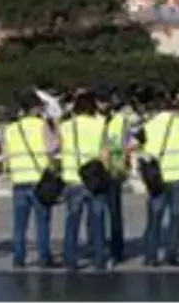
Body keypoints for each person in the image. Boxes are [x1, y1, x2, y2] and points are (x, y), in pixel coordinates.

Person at [139, 93, 179, 267]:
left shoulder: (149, 126)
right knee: (176, 218)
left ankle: (151, 256)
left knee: (154, 219)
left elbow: (134, 146)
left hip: (157, 179)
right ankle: (171, 255)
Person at [4, 91, 57, 269]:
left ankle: (18, 258)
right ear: (35, 107)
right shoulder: (41, 126)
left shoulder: (11, 129)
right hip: (39, 180)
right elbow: (54, 147)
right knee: (42, 222)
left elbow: (6, 153)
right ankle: (44, 257)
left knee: (20, 224)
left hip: (19, 179)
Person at [59, 91, 111, 272]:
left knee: (72, 221)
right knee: (97, 221)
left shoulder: (65, 126)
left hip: (73, 177)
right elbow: (105, 152)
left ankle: (70, 260)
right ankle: (99, 260)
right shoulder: (100, 124)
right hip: (94, 178)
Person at [99, 88, 130, 265]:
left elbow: (125, 144)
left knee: (113, 212)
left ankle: (116, 249)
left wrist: (124, 165)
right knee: (99, 212)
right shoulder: (95, 121)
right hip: (99, 170)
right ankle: (101, 245)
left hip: (113, 170)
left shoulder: (119, 120)